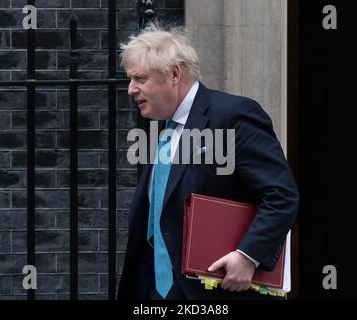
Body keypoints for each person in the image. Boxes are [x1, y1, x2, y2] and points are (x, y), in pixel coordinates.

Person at [117, 26, 299, 300]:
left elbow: (281, 194)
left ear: (174, 74)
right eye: (130, 79)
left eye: (140, 78)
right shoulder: (161, 130)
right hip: (156, 292)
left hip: (216, 291)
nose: (131, 89)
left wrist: (248, 256)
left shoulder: (234, 115)